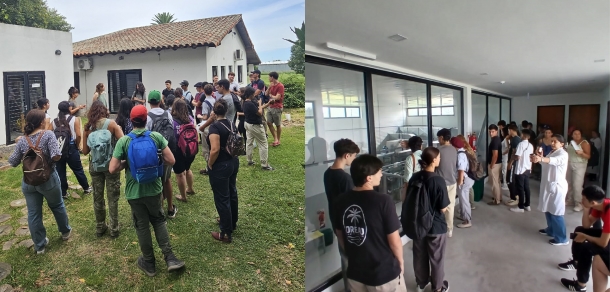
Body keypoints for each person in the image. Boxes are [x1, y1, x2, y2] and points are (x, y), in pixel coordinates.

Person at [109, 105, 185, 276]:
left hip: (134, 192)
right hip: (154, 189)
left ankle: (149, 262)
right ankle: (170, 257)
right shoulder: (156, 137)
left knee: (142, 225)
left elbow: (112, 168)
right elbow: (171, 160)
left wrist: (126, 163)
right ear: (145, 120)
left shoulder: (125, 141)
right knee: (158, 220)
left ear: (132, 120)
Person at [333, 154, 406, 292]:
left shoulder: (340, 201)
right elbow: (394, 240)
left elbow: (340, 233)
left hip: (355, 272)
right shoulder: (383, 201)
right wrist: (400, 262)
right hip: (382, 274)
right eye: (379, 171)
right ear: (369, 178)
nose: (382, 174)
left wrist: (353, 254)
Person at [8, 109, 72, 254]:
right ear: (42, 121)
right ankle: (65, 232)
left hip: (29, 182)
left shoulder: (23, 139)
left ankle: (40, 245)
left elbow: (12, 162)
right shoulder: (48, 134)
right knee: (57, 205)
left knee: (33, 213)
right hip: (48, 179)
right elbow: (56, 155)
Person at [404, 147, 450, 292]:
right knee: (436, 258)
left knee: (419, 255)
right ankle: (437, 288)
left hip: (417, 224)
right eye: (439, 157)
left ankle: (421, 283)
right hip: (435, 226)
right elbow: (442, 208)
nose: (440, 159)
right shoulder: (438, 180)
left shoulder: (415, 177)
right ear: (434, 160)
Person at [82, 101, 124, 238]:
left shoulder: (88, 127)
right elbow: (123, 142)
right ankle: (114, 228)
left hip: (95, 166)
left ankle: (100, 227)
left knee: (97, 197)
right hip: (111, 165)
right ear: (104, 110)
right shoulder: (111, 124)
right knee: (113, 197)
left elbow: (85, 151)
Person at [323, 138, 360, 291]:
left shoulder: (327, 173)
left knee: (344, 257)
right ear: (346, 155)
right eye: (354, 156)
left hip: (335, 220)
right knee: (353, 260)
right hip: (347, 226)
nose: (354, 159)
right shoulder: (346, 179)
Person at [558, 185, 610, 291]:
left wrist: (585, 237)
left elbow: (603, 243)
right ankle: (576, 262)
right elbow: (586, 225)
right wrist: (586, 210)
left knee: (587, 248)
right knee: (579, 231)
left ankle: (580, 285)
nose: (581, 201)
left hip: (607, 240)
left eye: (583, 199)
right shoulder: (600, 205)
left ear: (593, 203)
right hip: (607, 236)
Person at [206, 98, 240, 243]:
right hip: (233, 162)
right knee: (232, 192)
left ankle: (225, 233)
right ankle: (232, 221)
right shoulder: (232, 124)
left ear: (214, 111)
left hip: (221, 165)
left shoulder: (215, 128)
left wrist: (209, 164)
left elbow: (214, 150)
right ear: (226, 111)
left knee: (222, 198)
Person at [532, 134, 569, 246]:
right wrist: (539, 158)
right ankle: (551, 230)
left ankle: (562, 238)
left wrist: (542, 158)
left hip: (557, 186)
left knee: (557, 212)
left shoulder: (563, 154)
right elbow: (546, 163)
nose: (552, 143)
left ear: (562, 144)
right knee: (548, 209)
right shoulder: (552, 152)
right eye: (552, 141)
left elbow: (554, 161)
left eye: (555, 142)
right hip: (548, 185)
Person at [146, 91, 177, 218]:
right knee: (167, 179)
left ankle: (159, 210)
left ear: (148, 102)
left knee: (155, 181)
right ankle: (170, 208)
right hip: (167, 150)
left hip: (154, 153)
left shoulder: (147, 117)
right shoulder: (168, 114)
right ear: (160, 101)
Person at [53, 101, 92, 199]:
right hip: (71, 148)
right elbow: (78, 135)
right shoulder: (74, 119)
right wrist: (77, 144)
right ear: (69, 109)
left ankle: (63, 193)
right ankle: (86, 188)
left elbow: (50, 135)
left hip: (59, 149)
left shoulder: (54, 121)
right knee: (78, 169)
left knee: (60, 170)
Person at [238, 86, 274, 171]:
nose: (254, 95)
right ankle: (264, 164)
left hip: (248, 124)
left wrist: (268, 103)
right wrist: (260, 103)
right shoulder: (250, 103)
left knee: (249, 142)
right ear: (250, 94)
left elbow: (258, 109)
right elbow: (260, 112)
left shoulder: (246, 102)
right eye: (253, 94)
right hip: (255, 125)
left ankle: (249, 160)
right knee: (263, 144)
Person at [171, 99, 196, 202]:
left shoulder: (172, 121)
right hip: (190, 149)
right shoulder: (190, 118)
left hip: (178, 150)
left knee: (180, 174)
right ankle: (190, 188)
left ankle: (183, 196)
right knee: (188, 169)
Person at [435, 128, 457, 237]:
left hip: (441, 183)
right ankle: (450, 229)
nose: (438, 140)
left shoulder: (438, 151)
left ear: (442, 138)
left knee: (439, 206)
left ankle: (438, 228)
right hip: (452, 182)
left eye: (438, 138)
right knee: (450, 206)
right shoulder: (454, 149)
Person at [509, 129, 534, 213]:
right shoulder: (531, 145)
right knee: (526, 187)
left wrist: (513, 155)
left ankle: (520, 207)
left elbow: (518, 157)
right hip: (527, 168)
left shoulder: (521, 144)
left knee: (520, 188)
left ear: (523, 135)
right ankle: (527, 205)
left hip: (521, 169)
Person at [566, 129, 591, 211]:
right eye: (575, 134)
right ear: (572, 135)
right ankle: (570, 200)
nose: (577, 135)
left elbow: (588, 156)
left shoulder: (584, 143)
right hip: (569, 164)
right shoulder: (571, 142)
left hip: (580, 165)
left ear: (581, 135)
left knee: (577, 184)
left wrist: (581, 153)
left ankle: (579, 203)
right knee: (569, 183)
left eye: (578, 134)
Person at [452, 137, 473, 229]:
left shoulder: (460, 155)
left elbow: (461, 170)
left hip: (464, 179)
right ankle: (463, 215)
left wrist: (460, 182)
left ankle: (467, 221)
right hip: (466, 179)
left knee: (464, 201)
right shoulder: (462, 152)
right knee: (462, 200)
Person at [198, 84, 217, 175]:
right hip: (215, 125)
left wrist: (199, 116)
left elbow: (205, 117)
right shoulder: (214, 100)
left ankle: (208, 167)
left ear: (204, 91)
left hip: (207, 126)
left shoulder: (205, 102)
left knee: (206, 148)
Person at [456, 135, 476, 210]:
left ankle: (466, 209)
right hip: (471, 172)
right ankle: (472, 204)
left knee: (464, 194)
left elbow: (462, 167)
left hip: (467, 173)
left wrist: (460, 180)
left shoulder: (462, 151)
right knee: (470, 189)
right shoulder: (469, 148)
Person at [266, 72, 285, 147]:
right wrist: (269, 88)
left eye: (269, 77)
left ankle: (278, 140)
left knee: (277, 124)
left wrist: (271, 95)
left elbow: (277, 98)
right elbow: (266, 94)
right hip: (270, 106)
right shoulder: (271, 85)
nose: (268, 78)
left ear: (272, 77)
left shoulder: (280, 86)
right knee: (269, 123)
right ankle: (275, 138)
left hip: (277, 107)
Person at [505, 125, 522, 206]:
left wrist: (510, 163)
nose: (508, 132)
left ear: (511, 130)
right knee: (510, 180)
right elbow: (509, 149)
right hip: (513, 162)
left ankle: (515, 198)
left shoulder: (516, 140)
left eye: (509, 130)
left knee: (510, 180)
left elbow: (514, 153)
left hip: (513, 163)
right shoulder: (515, 139)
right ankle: (514, 195)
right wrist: (507, 139)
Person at [487, 124, 503, 205]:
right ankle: (499, 197)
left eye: (492, 132)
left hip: (495, 164)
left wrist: (491, 165)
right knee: (497, 181)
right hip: (498, 163)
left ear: (496, 131)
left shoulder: (494, 141)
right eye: (489, 132)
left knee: (494, 183)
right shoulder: (497, 139)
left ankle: (496, 200)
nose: (491, 133)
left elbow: (495, 155)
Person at [249, 70, 268, 135]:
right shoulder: (253, 82)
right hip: (254, 100)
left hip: (260, 100)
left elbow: (258, 91)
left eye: (254, 73)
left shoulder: (260, 82)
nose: (253, 74)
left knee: (262, 115)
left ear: (257, 74)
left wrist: (250, 97)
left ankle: (265, 133)